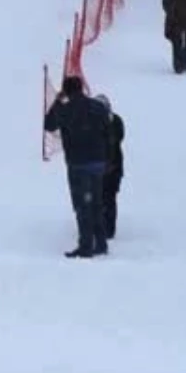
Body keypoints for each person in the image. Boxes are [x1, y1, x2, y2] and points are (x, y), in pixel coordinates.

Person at [44, 76, 111, 258]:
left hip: (78, 164)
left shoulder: (65, 109)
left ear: (66, 91)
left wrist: (58, 102)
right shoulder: (98, 107)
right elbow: (108, 129)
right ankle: (101, 243)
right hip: (98, 162)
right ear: (81, 88)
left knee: (83, 206)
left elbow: (49, 125)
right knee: (96, 203)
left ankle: (86, 245)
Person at [95, 94, 124, 240]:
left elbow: (118, 138)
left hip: (113, 168)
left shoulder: (115, 121)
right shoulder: (92, 122)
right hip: (96, 167)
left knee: (109, 198)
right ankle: (98, 226)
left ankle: (109, 228)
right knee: (97, 198)